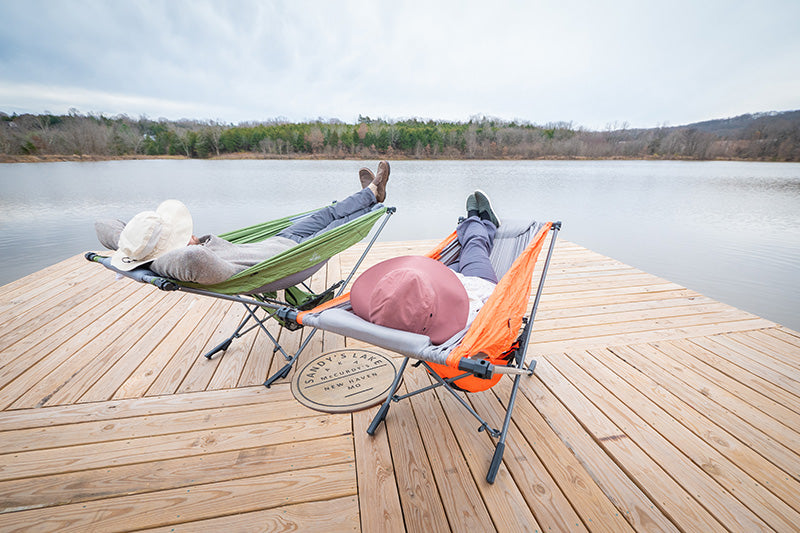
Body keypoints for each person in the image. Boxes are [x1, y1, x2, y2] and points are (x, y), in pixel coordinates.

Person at [95, 161, 390, 284]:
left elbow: (103, 225)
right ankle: (371, 202)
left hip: (279, 240)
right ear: (170, 252)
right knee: (340, 224)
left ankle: (369, 193)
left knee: (327, 212)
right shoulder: (196, 262)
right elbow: (192, 257)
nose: (191, 235)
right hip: (291, 259)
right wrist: (163, 255)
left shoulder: (147, 250)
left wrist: (131, 248)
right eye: (181, 235)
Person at [350, 190, 499, 345]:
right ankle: (482, 221)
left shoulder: (386, 311)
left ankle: (475, 221)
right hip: (473, 286)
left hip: (439, 289)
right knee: (474, 245)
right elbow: (490, 296)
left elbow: (404, 295)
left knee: (461, 255)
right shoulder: (469, 320)